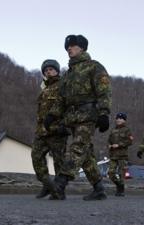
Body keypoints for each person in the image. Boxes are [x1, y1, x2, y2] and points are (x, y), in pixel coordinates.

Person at [45, 34, 112, 200]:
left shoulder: (93, 67)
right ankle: (99, 188)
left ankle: (60, 183)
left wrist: (104, 113)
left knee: (77, 148)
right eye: (67, 47)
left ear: (81, 48)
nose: (69, 49)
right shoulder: (68, 75)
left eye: (73, 46)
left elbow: (104, 91)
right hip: (72, 118)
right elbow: (61, 99)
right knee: (86, 154)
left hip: (88, 115)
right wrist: (52, 115)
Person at [31, 59, 68, 199]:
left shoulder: (63, 85)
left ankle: (59, 190)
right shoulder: (44, 89)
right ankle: (48, 185)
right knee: (36, 157)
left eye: (51, 69)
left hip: (57, 130)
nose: (48, 72)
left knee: (59, 162)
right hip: (41, 131)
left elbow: (69, 105)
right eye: (46, 70)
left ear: (57, 71)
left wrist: (65, 124)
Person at [107, 112, 133, 196]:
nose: (118, 120)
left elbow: (129, 141)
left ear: (124, 120)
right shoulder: (113, 130)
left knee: (121, 174)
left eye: (121, 119)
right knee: (111, 173)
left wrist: (119, 145)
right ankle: (118, 185)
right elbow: (109, 140)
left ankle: (121, 190)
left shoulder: (127, 130)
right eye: (117, 118)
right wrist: (109, 145)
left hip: (122, 155)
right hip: (113, 155)